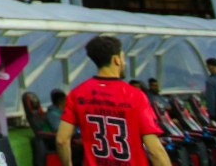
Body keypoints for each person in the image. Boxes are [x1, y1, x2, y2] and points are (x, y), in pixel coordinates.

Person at [56, 35, 170, 166]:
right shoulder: (136, 96)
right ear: (116, 60)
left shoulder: (77, 94)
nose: (124, 63)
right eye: (123, 58)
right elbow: (155, 151)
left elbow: (61, 140)